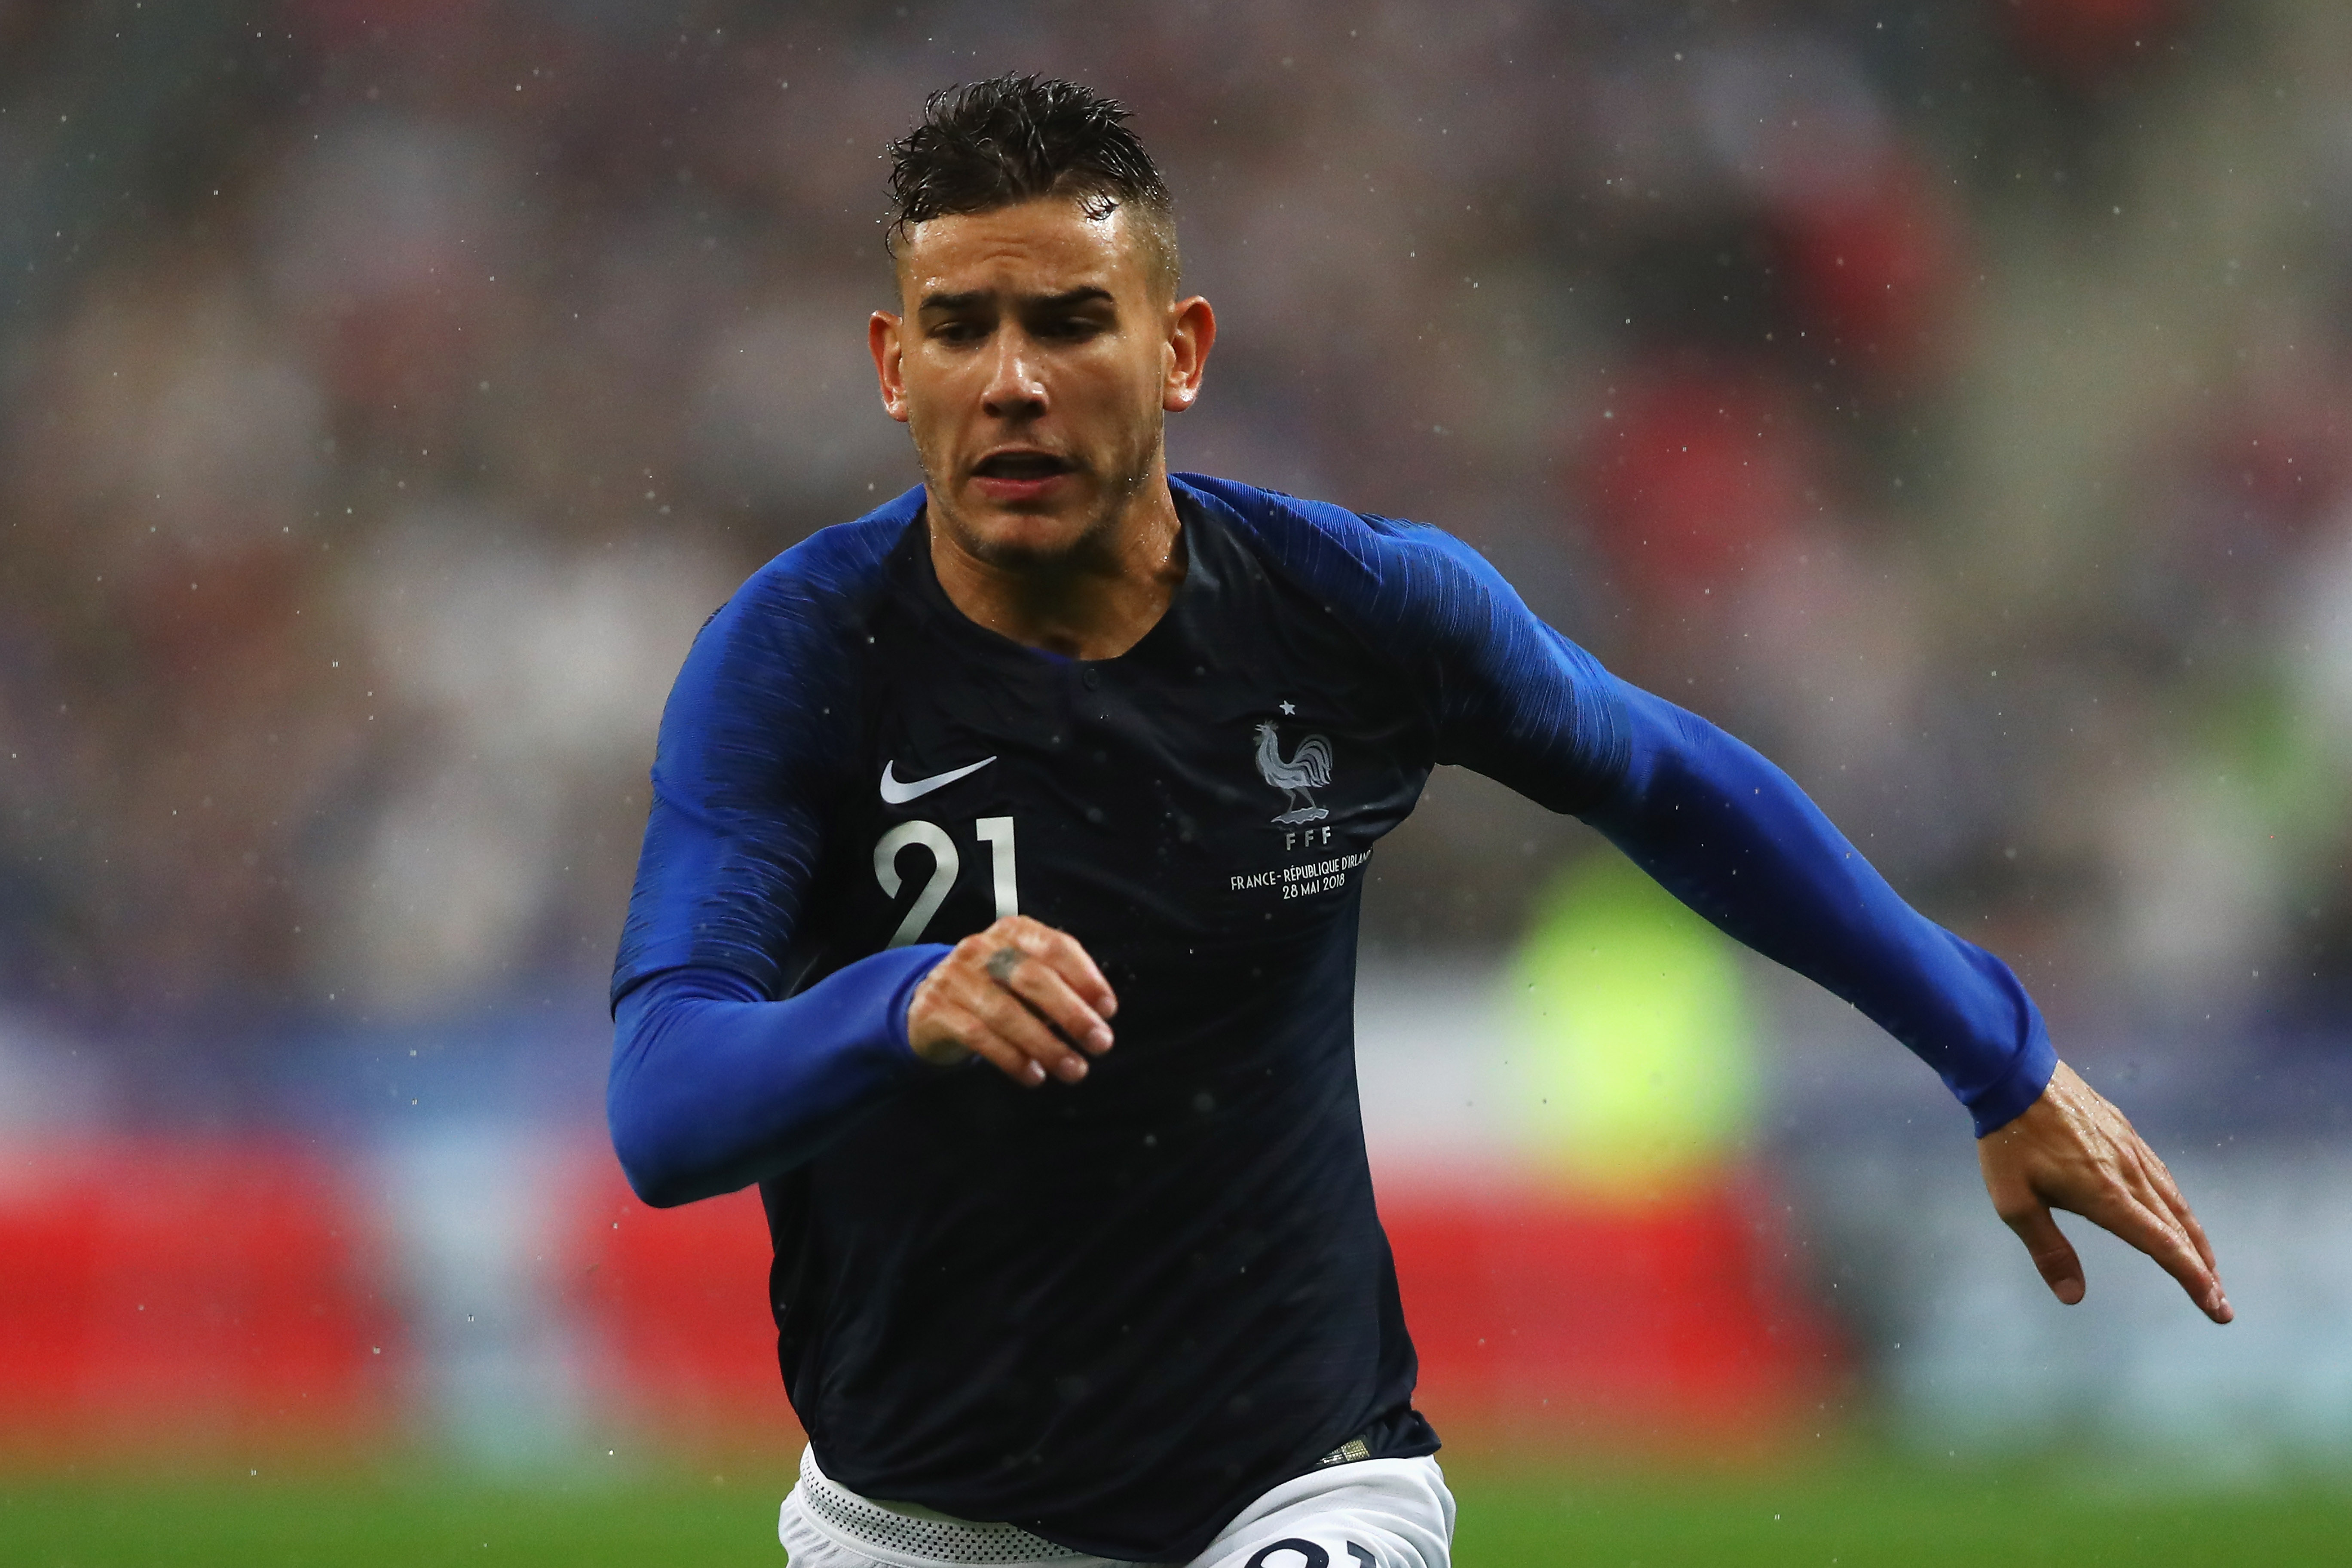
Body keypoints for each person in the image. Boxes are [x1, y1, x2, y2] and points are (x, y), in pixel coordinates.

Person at [606, 74, 2229, 1568]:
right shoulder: (799, 660)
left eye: (1071, 322)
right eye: (961, 328)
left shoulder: (1356, 613)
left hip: (1298, 1486)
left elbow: (1667, 779)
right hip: (915, 1525)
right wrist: (905, 1002)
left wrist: (1997, 1057)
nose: (1015, 381)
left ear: (1180, 349)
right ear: (897, 370)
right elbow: (665, 1104)